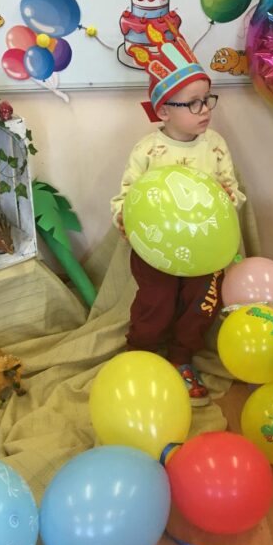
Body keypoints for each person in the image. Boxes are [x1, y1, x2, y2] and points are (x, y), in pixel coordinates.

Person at [110, 21, 245, 406]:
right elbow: (126, 196)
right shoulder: (148, 150)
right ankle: (142, 352)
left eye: (207, 99)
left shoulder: (214, 145)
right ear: (164, 110)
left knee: (202, 303)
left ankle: (182, 357)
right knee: (157, 301)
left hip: (206, 250)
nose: (205, 110)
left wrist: (228, 198)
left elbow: (233, 191)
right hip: (157, 250)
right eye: (193, 103)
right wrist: (123, 218)